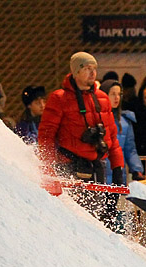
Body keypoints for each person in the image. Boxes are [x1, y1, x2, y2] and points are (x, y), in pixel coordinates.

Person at [38, 52, 124, 186]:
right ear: (76, 72)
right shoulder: (59, 98)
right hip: (69, 167)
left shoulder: (102, 98)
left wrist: (118, 168)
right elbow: (46, 135)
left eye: (94, 68)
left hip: (98, 167)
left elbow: (112, 137)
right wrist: (48, 167)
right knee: (71, 207)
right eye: (87, 68)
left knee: (97, 206)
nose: (92, 72)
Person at [99, 79, 145, 183]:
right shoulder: (95, 118)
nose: (117, 98)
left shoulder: (124, 121)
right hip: (99, 174)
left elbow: (130, 149)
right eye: (113, 94)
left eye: (119, 94)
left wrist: (137, 170)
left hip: (118, 174)